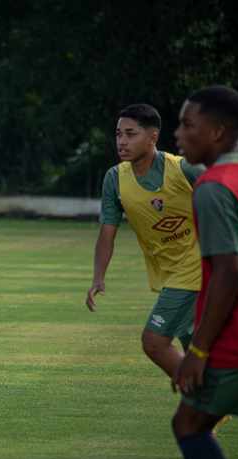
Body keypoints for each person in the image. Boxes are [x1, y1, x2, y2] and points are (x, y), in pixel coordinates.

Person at [172, 85, 238, 459]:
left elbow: (228, 273)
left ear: (216, 131)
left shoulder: (214, 188)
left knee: (188, 423)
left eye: (187, 125)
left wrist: (197, 350)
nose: (178, 135)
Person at [87, 104, 203, 377]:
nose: (122, 141)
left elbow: (228, 194)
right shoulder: (115, 179)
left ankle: (202, 401)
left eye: (130, 134)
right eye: (118, 134)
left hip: (197, 265)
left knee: (154, 342)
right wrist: (98, 277)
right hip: (167, 272)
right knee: (194, 344)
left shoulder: (184, 169)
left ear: (152, 137)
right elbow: (107, 230)